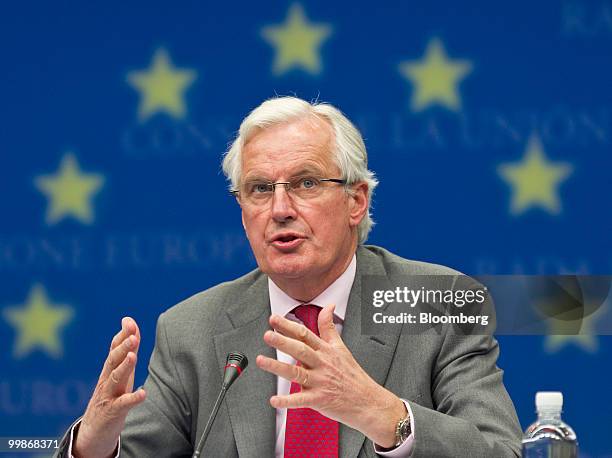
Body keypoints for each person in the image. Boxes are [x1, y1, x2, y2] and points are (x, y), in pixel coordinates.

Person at [55, 96, 522, 457]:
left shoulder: (436, 303)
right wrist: (92, 445)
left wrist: (384, 415)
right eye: (260, 189)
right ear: (242, 211)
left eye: (305, 183)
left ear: (356, 202)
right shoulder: (191, 329)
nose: (280, 210)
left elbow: (500, 451)